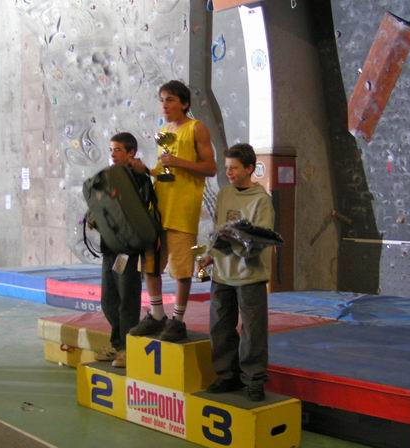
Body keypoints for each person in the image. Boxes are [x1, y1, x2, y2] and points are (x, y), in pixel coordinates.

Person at [129, 80, 216, 342]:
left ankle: (177, 320)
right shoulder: (164, 131)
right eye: (162, 100)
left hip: (182, 211)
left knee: (181, 269)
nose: (164, 105)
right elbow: (164, 171)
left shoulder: (196, 128)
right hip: (159, 209)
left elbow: (211, 168)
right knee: (151, 265)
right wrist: (146, 170)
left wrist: (179, 161)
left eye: (170, 100)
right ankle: (157, 315)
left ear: (185, 103)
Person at [203, 143, 275, 402]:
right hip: (222, 273)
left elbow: (260, 239)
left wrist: (235, 239)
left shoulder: (261, 200)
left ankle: (253, 379)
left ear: (249, 168)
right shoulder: (224, 194)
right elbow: (217, 227)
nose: (229, 173)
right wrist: (210, 255)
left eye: (234, 168)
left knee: (253, 330)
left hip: (249, 275)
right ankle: (226, 375)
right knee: (220, 327)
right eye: (227, 168)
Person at [90, 133, 152, 368]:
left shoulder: (141, 180)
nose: (113, 154)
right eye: (111, 150)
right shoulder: (107, 178)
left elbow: (143, 214)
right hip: (109, 248)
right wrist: (94, 217)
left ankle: (127, 349)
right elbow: (101, 205)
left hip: (129, 250)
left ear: (131, 152)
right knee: (108, 300)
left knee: (127, 300)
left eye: (117, 149)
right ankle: (118, 344)